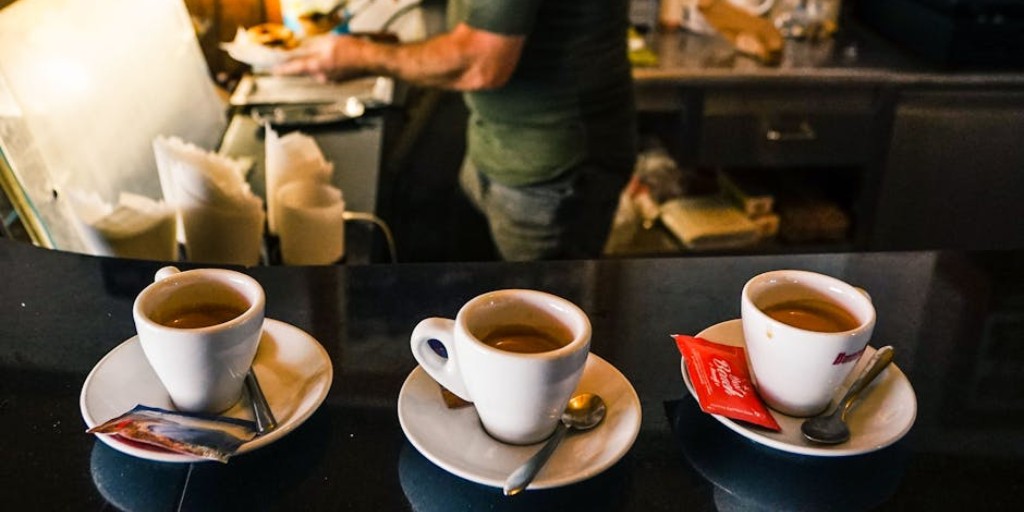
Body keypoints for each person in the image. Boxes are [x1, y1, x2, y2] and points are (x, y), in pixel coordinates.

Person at [275, 0, 637, 261]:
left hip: (550, 169)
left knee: (540, 326)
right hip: (494, 143)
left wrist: (359, 55)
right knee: (485, 291)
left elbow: (481, 62)